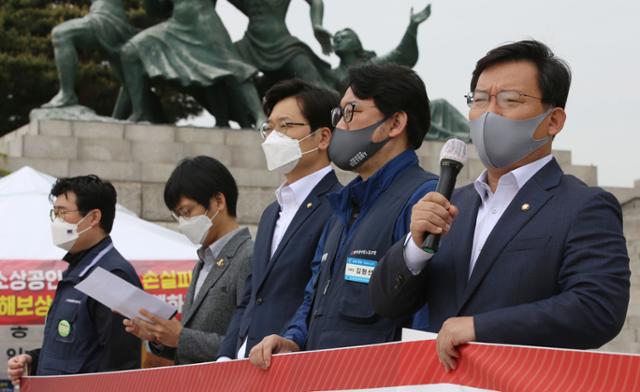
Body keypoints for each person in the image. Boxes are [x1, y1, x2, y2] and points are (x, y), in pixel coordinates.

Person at [369, 40, 631, 372]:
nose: (489, 114)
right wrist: (415, 249)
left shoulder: (583, 206)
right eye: (479, 100)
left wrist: (480, 327)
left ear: (553, 121)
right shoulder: (453, 205)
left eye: (510, 100)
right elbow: (385, 303)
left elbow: (597, 309)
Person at [248, 63, 439, 369]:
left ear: (395, 123)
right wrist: (293, 339)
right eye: (338, 115)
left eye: (351, 112)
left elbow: (425, 314)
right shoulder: (343, 206)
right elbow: (315, 295)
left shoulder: (423, 199)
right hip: (322, 377)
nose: (340, 125)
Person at [217, 79, 341, 361]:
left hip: (291, 365)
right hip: (246, 363)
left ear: (323, 137)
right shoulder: (272, 211)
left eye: (286, 126)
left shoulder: (338, 206)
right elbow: (250, 295)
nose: (274, 137)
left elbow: (318, 296)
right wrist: (226, 355)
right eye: (269, 127)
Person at [7, 175, 141, 384]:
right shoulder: (77, 269)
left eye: (63, 213)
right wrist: (33, 361)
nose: (56, 221)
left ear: (93, 217)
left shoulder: (113, 275)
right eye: (55, 213)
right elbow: (77, 349)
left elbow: (120, 368)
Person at [123, 156, 253, 364]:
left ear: (219, 201)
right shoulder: (203, 261)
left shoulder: (248, 255)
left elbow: (249, 343)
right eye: (178, 216)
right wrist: (158, 336)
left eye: (187, 212)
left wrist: (181, 338)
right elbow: (187, 344)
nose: (183, 223)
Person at [119, 0, 264, 126]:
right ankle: (139, 112)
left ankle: (260, 116)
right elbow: (156, 10)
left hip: (205, 24)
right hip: (177, 26)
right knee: (130, 52)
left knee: (233, 68)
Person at [41, 0, 138, 109]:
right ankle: (141, 112)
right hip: (108, 20)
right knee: (130, 83)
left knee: (61, 34)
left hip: (106, 19)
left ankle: (67, 94)